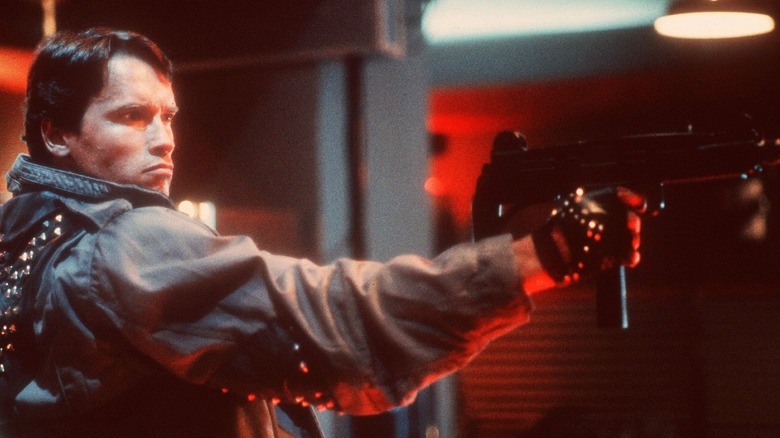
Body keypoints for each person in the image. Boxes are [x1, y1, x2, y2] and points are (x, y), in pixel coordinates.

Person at [0, 28, 644, 437]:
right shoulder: (126, 242)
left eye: (167, 116)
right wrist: (546, 253)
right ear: (57, 134)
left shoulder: (25, 239)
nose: (164, 139)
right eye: (133, 117)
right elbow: (331, 314)